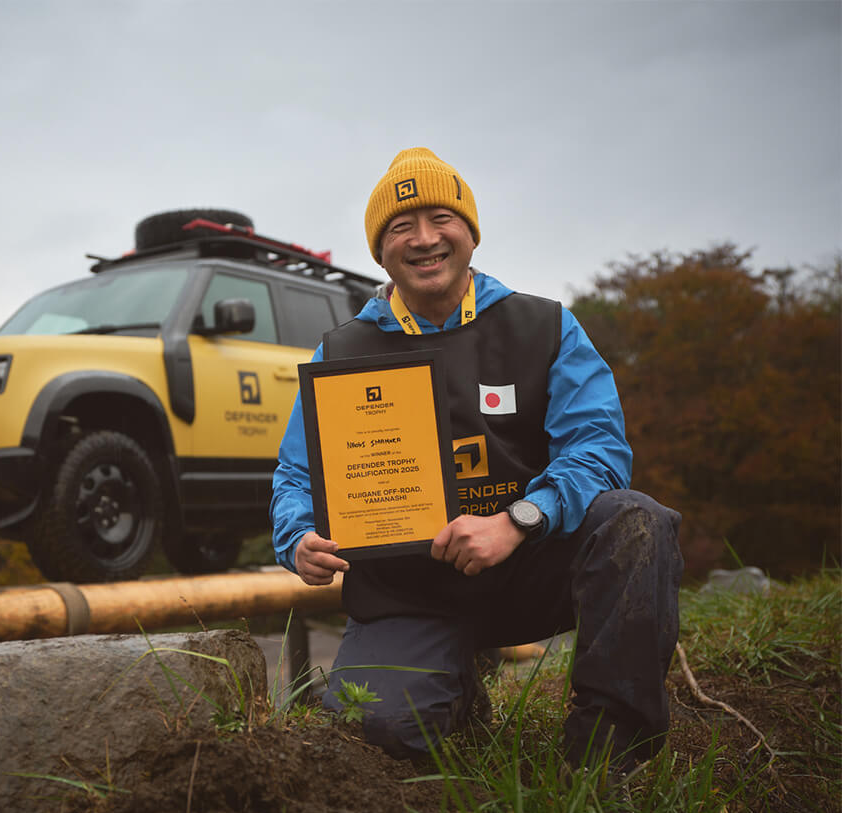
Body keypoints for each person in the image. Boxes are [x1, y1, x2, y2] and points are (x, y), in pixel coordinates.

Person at [271, 147, 682, 771]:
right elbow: (298, 473)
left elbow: (599, 449)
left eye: (442, 218)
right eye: (401, 227)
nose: (425, 239)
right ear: (380, 250)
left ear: (471, 233)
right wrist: (296, 535)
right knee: (373, 728)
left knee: (636, 520)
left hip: (530, 564)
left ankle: (606, 754)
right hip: (411, 589)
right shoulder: (344, 351)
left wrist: (517, 520)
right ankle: (455, 692)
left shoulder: (544, 326)